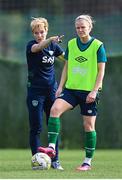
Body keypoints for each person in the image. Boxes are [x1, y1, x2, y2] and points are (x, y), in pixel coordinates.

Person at [38, 14, 107, 171]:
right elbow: (67, 67)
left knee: (88, 126)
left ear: (90, 27)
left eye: (83, 27)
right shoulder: (71, 44)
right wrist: (61, 87)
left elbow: (101, 72)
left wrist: (94, 91)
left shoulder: (98, 46)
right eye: (78, 27)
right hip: (71, 89)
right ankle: (51, 148)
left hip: (89, 92)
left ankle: (87, 162)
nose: (80, 30)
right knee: (54, 109)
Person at [26, 17, 65, 170]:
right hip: (35, 93)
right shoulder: (32, 45)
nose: (39, 35)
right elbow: (38, 47)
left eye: (42, 32)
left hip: (52, 92)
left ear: (46, 30)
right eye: (36, 33)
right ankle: (37, 160)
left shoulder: (53, 47)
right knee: (36, 128)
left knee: (53, 126)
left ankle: (55, 161)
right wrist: (49, 40)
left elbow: (65, 59)